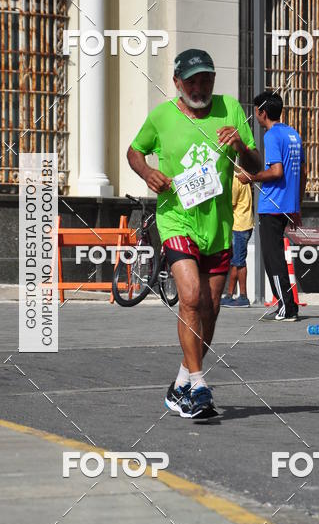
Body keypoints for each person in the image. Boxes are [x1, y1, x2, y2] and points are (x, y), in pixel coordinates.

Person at [127, 49, 260, 419]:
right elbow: (134, 152)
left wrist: (241, 147)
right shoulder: (162, 117)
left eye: (207, 79)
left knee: (211, 308)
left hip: (217, 224)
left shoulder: (231, 109)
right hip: (176, 220)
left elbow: (256, 165)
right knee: (190, 297)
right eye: (193, 81)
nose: (200, 87)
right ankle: (200, 386)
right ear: (177, 83)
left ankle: (182, 381)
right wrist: (147, 173)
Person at [238, 92, 306, 322]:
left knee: (273, 259)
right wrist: (297, 207)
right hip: (287, 204)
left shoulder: (271, 136)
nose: (254, 115)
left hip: (272, 206)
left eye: (256, 110)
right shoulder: (293, 134)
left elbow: (277, 171)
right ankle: (287, 306)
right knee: (276, 257)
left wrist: (252, 177)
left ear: (262, 112)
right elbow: (302, 174)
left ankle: (287, 308)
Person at [220, 171, 254, 307]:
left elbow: (230, 202)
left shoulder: (235, 179)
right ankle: (229, 295)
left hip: (240, 225)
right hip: (243, 223)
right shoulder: (242, 174)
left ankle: (243, 297)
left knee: (239, 262)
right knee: (235, 261)